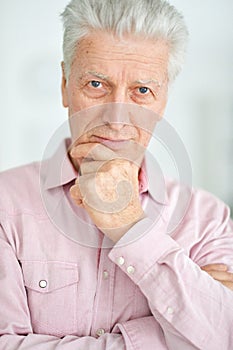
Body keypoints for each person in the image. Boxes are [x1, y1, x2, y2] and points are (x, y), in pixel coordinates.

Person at [0, 0, 233, 349]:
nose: (118, 118)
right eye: (96, 84)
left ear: (164, 98)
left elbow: (224, 337)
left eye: (142, 91)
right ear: (65, 84)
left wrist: (127, 223)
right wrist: (171, 337)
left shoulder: (209, 220)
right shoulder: (5, 204)